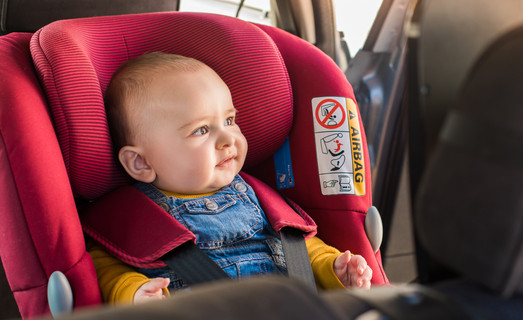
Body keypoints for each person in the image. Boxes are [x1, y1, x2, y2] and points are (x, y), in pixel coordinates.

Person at [89, 52, 372, 304]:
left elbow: (301, 248)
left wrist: (334, 268)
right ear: (141, 162)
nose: (228, 139)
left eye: (229, 120)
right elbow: (106, 269)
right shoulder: (131, 218)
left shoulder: (260, 197)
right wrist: (135, 292)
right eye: (200, 130)